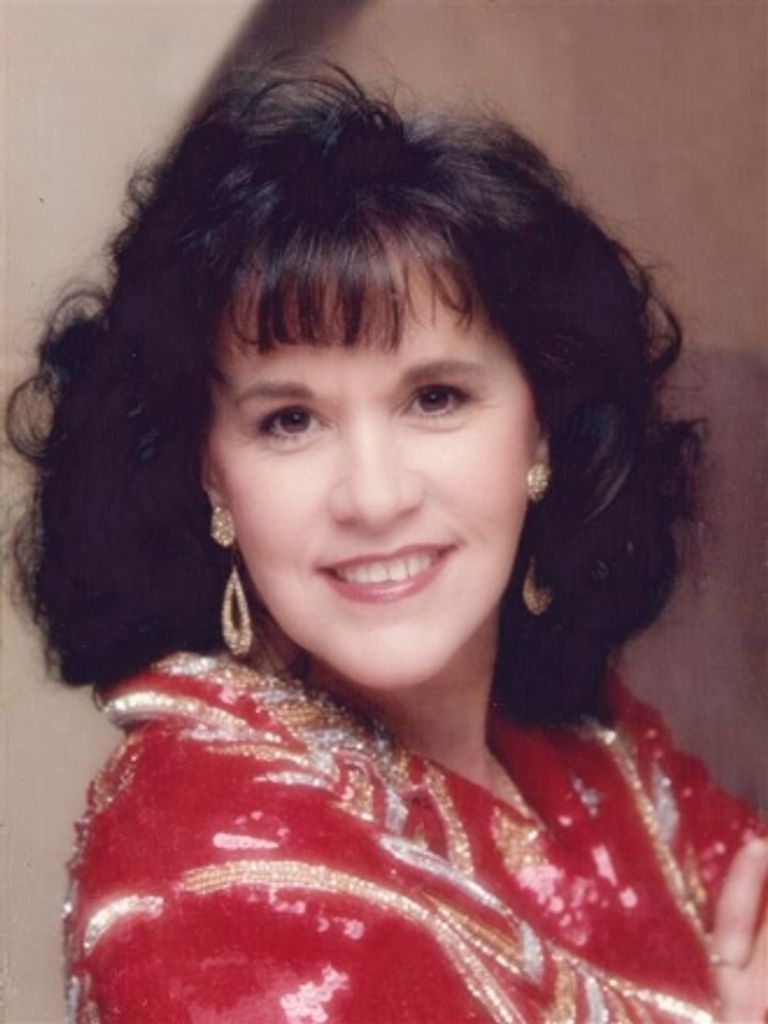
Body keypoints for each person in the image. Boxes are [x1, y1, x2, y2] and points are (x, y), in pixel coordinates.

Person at [7, 64, 767, 1024]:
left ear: (541, 428)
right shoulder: (207, 872)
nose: (374, 497)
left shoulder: (585, 748)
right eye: (290, 421)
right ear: (210, 474)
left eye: (435, 398)